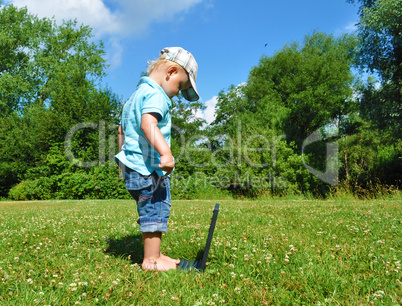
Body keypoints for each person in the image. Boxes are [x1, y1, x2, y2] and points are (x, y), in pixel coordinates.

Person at [116, 47, 199, 271]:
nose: (177, 93)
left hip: (132, 166)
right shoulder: (156, 95)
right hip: (148, 168)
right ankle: (151, 261)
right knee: (155, 208)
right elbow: (148, 125)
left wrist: (122, 162)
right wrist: (166, 153)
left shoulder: (135, 96)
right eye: (180, 86)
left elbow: (121, 131)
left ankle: (157, 254)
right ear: (170, 71)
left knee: (150, 208)